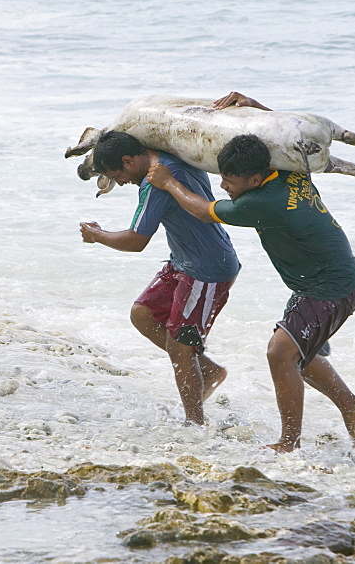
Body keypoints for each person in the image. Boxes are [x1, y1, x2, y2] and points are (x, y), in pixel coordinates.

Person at [146, 92, 355, 452]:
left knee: (280, 353)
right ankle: (351, 405)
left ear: (253, 179)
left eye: (230, 180)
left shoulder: (261, 203)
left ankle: (289, 443)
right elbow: (282, 136)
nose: (223, 186)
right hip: (325, 281)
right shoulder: (287, 170)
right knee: (302, 353)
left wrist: (169, 183)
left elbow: (203, 211)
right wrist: (253, 105)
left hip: (330, 288)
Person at [79, 130, 241, 425]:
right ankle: (207, 371)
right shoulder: (168, 160)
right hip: (183, 261)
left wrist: (96, 235)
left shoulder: (156, 184)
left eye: (119, 175)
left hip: (206, 270)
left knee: (181, 347)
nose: (122, 182)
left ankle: (194, 424)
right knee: (142, 314)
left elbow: (136, 240)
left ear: (129, 160)